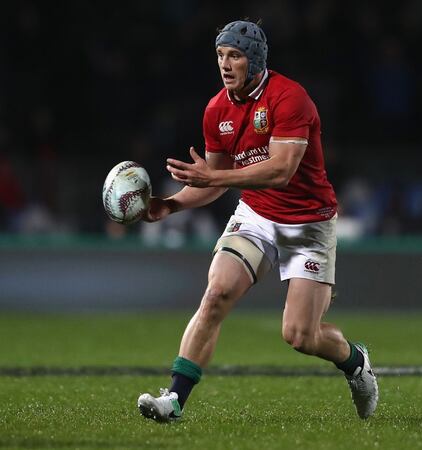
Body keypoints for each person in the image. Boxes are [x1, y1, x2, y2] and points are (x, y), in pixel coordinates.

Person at [136, 20, 378, 422]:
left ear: (256, 59)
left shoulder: (290, 98)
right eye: (220, 56)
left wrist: (214, 177)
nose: (225, 64)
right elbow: (212, 181)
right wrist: (170, 205)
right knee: (216, 295)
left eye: (234, 55)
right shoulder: (217, 108)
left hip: (308, 224)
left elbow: (281, 171)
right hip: (257, 214)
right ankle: (174, 400)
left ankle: (356, 362)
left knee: (300, 335)